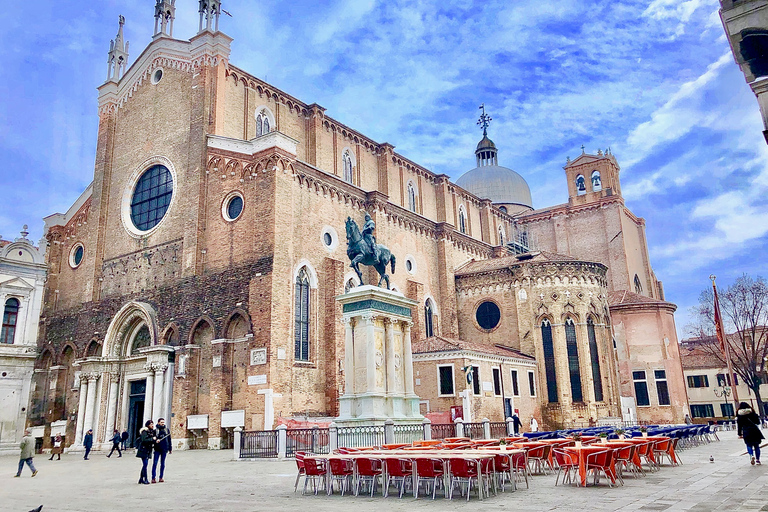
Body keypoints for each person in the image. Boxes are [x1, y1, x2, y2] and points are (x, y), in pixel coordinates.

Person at [152, 418, 172, 483]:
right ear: (158, 423)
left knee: (162, 464)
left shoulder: (166, 430)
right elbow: (153, 439)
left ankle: (161, 477)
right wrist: (156, 441)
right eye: (161, 422)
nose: (163, 423)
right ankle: (153, 478)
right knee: (155, 463)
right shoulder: (155, 431)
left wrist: (170, 448)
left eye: (163, 422)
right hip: (157, 449)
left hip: (164, 449)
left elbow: (169, 439)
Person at [136, 420, 156, 484]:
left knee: (145, 465)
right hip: (143, 450)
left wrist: (155, 441)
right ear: (148, 425)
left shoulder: (151, 431)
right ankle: (145, 479)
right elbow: (144, 440)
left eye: (153, 424)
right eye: (151, 424)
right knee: (145, 464)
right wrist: (152, 439)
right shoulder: (144, 431)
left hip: (148, 450)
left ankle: (141, 479)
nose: (152, 425)